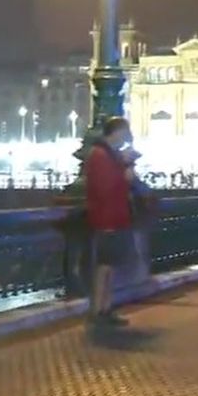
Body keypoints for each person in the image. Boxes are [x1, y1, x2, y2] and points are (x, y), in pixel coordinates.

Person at [85, 117, 136, 327]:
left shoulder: (107, 154)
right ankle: (99, 310)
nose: (124, 138)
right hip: (107, 218)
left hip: (114, 217)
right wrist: (124, 170)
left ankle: (105, 307)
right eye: (123, 133)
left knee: (109, 266)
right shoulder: (100, 155)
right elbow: (105, 187)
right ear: (115, 132)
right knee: (104, 266)